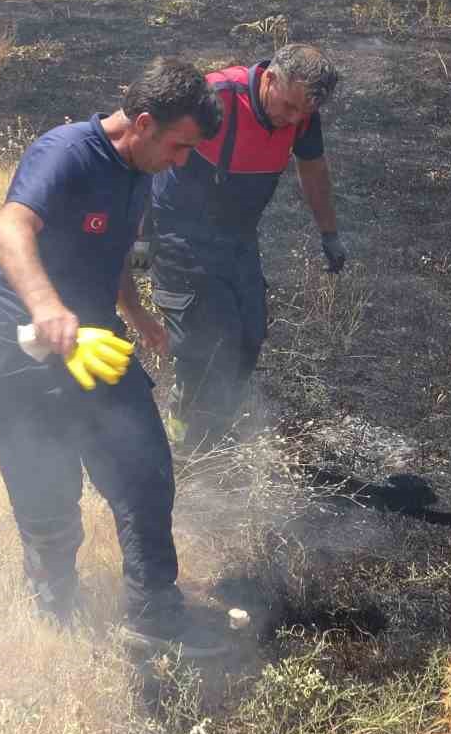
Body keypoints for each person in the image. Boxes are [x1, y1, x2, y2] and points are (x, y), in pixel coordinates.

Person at [0, 58, 228, 655]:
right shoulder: (66, 152)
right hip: (19, 342)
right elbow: (10, 227)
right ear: (142, 122)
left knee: (144, 467)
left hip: (94, 337)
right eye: (180, 145)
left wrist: (133, 311)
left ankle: (154, 615)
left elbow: (109, 244)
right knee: (47, 487)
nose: (182, 160)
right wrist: (45, 306)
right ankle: (56, 607)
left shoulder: (142, 166)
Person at [146, 43, 345, 455]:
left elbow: (313, 171)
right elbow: (143, 143)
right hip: (180, 234)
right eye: (288, 106)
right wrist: (136, 236)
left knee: (248, 338)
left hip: (238, 238)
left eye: (300, 114)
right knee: (208, 341)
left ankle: (214, 433)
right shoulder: (214, 97)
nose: (291, 120)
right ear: (270, 78)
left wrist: (329, 233)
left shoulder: (303, 117)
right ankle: (184, 448)